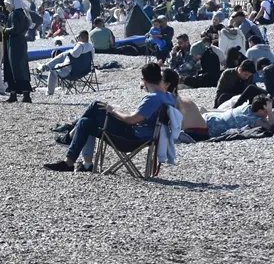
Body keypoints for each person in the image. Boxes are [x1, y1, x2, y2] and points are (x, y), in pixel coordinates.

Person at [43, 63, 174, 172]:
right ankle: (70, 163)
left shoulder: (152, 98)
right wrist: (117, 111)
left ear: (144, 81)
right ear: (160, 79)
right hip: (146, 136)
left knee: (95, 105)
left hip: (132, 139)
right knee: (85, 122)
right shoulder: (168, 97)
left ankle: (69, 135)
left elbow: (131, 120)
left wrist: (113, 111)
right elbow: (140, 118)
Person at [39, 30, 94, 95]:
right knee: (62, 56)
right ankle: (46, 66)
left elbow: (74, 55)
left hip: (72, 72)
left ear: (81, 37)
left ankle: (50, 91)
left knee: (53, 70)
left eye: (78, 38)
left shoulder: (80, 45)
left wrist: (71, 49)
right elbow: (91, 58)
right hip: (86, 70)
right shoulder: (91, 46)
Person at [161, 68, 209, 141]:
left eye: (159, 81)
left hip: (194, 134)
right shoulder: (180, 98)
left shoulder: (172, 100)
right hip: (204, 132)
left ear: (166, 84)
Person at [3, 0, 33, 103]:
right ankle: (19, 93)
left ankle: (19, 93)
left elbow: (15, 29)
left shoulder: (15, 14)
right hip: (19, 42)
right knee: (20, 67)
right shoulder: (22, 13)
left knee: (15, 67)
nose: (7, 7)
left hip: (15, 43)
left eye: (7, 4)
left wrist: (4, 30)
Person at [204, 94, 274, 138]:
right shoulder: (252, 119)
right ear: (261, 110)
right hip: (212, 126)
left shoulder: (248, 107)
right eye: (266, 110)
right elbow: (272, 127)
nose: (267, 113)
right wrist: (270, 112)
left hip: (210, 117)